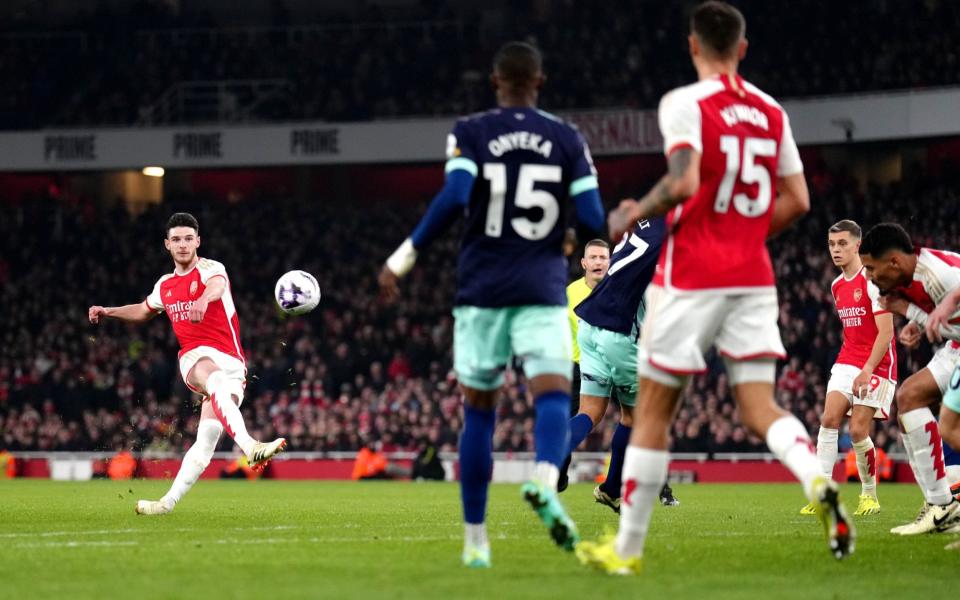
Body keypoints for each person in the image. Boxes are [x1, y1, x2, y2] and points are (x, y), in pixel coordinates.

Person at [577, 1, 853, 575]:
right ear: (743, 50)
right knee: (760, 407)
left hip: (694, 272)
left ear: (694, 46)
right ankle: (818, 481)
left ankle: (625, 550)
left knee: (651, 411)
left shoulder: (685, 103)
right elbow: (799, 200)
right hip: (752, 274)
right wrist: (746, 236)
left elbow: (681, 181)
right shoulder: (772, 111)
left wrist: (636, 209)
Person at [378, 41, 605, 568]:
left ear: (495, 82)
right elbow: (594, 216)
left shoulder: (472, 131)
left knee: (479, 413)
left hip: (480, 290)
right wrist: (568, 238)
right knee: (553, 393)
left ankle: (476, 541)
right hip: (542, 289)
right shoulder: (568, 138)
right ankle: (546, 479)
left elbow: (455, 198)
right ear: (540, 82)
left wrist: (402, 258)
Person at [88, 212, 286, 515]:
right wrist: (109, 311)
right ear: (167, 244)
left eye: (188, 239)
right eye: (177, 240)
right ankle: (249, 446)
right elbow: (143, 310)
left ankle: (167, 503)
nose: (183, 245)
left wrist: (204, 299)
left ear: (198, 241)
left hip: (233, 364)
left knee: (206, 439)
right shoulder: (165, 285)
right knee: (213, 379)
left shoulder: (211, 269)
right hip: (195, 357)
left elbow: (217, 286)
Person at [561, 218, 679, 512]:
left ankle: (553, 456)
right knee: (636, 418)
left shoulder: (644, 223)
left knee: (590, 411)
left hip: (591, 324)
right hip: (620, 332)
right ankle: (612, 487)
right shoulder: (673, 235)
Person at [858, 222, 960, 535]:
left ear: (894, 262)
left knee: (950, 426)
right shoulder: (909, 278)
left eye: (871, 269)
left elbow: (950, 298)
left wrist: (946, 302)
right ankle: (941, 504)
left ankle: (944, 502)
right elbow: (946, 324)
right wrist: (917, 318)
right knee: (909, 397)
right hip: (955, 347)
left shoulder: (938, 274)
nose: (870, 277)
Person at [799, 220, 895, 517]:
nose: (836, 250)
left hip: (877, 364)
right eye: (831, 244)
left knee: (856, 430)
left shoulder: (872, 280)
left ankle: (869, 496)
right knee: (828, 419)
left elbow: (886, 332)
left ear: (857, 245)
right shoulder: (836, 285)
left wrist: (867, 369)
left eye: (842, 243)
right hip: (847, 358)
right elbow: (852, 330)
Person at [559, 238, 610, 490]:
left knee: (640, 418)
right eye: (594, 257)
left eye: (603, 257)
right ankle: (558, 473)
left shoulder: (618, 290)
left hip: (614, 365)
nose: (599, 262)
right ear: (584, 263)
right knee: (569, 421)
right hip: (578, 367)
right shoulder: (570, 293)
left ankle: (660, 483)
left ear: (609, 262)